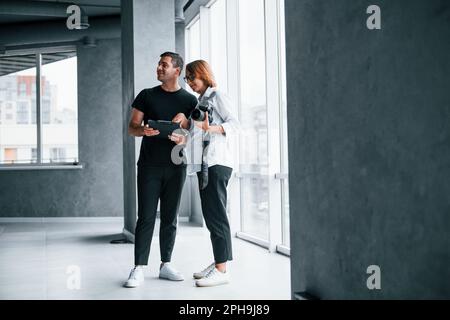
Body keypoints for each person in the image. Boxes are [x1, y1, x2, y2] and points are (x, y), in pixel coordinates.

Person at [124, 52, 198, 288]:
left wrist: (182, 139)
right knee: (145, 216)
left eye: (164, 65)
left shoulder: (190, 101)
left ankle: (166, 263)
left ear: (177, 70)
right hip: (149, 166)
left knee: (170, 217)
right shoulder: (146, 96)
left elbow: (193, 135)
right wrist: (142, 131)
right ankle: (138, 267)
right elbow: (132, 128)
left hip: (176, 166)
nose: (158, 68)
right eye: (158, 64)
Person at [171, 60, 240, 287]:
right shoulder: (202, 101)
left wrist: (210, 128)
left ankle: (222, 270)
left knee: (216, 214)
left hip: (217, 163)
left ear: (203, 75)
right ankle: (219, 262)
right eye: (187, 79)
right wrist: (183, 135)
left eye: (193, 78)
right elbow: (196, 135)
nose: (190, 83)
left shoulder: (217, 95)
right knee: (211, 215)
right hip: (204, 166)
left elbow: (235, 124)